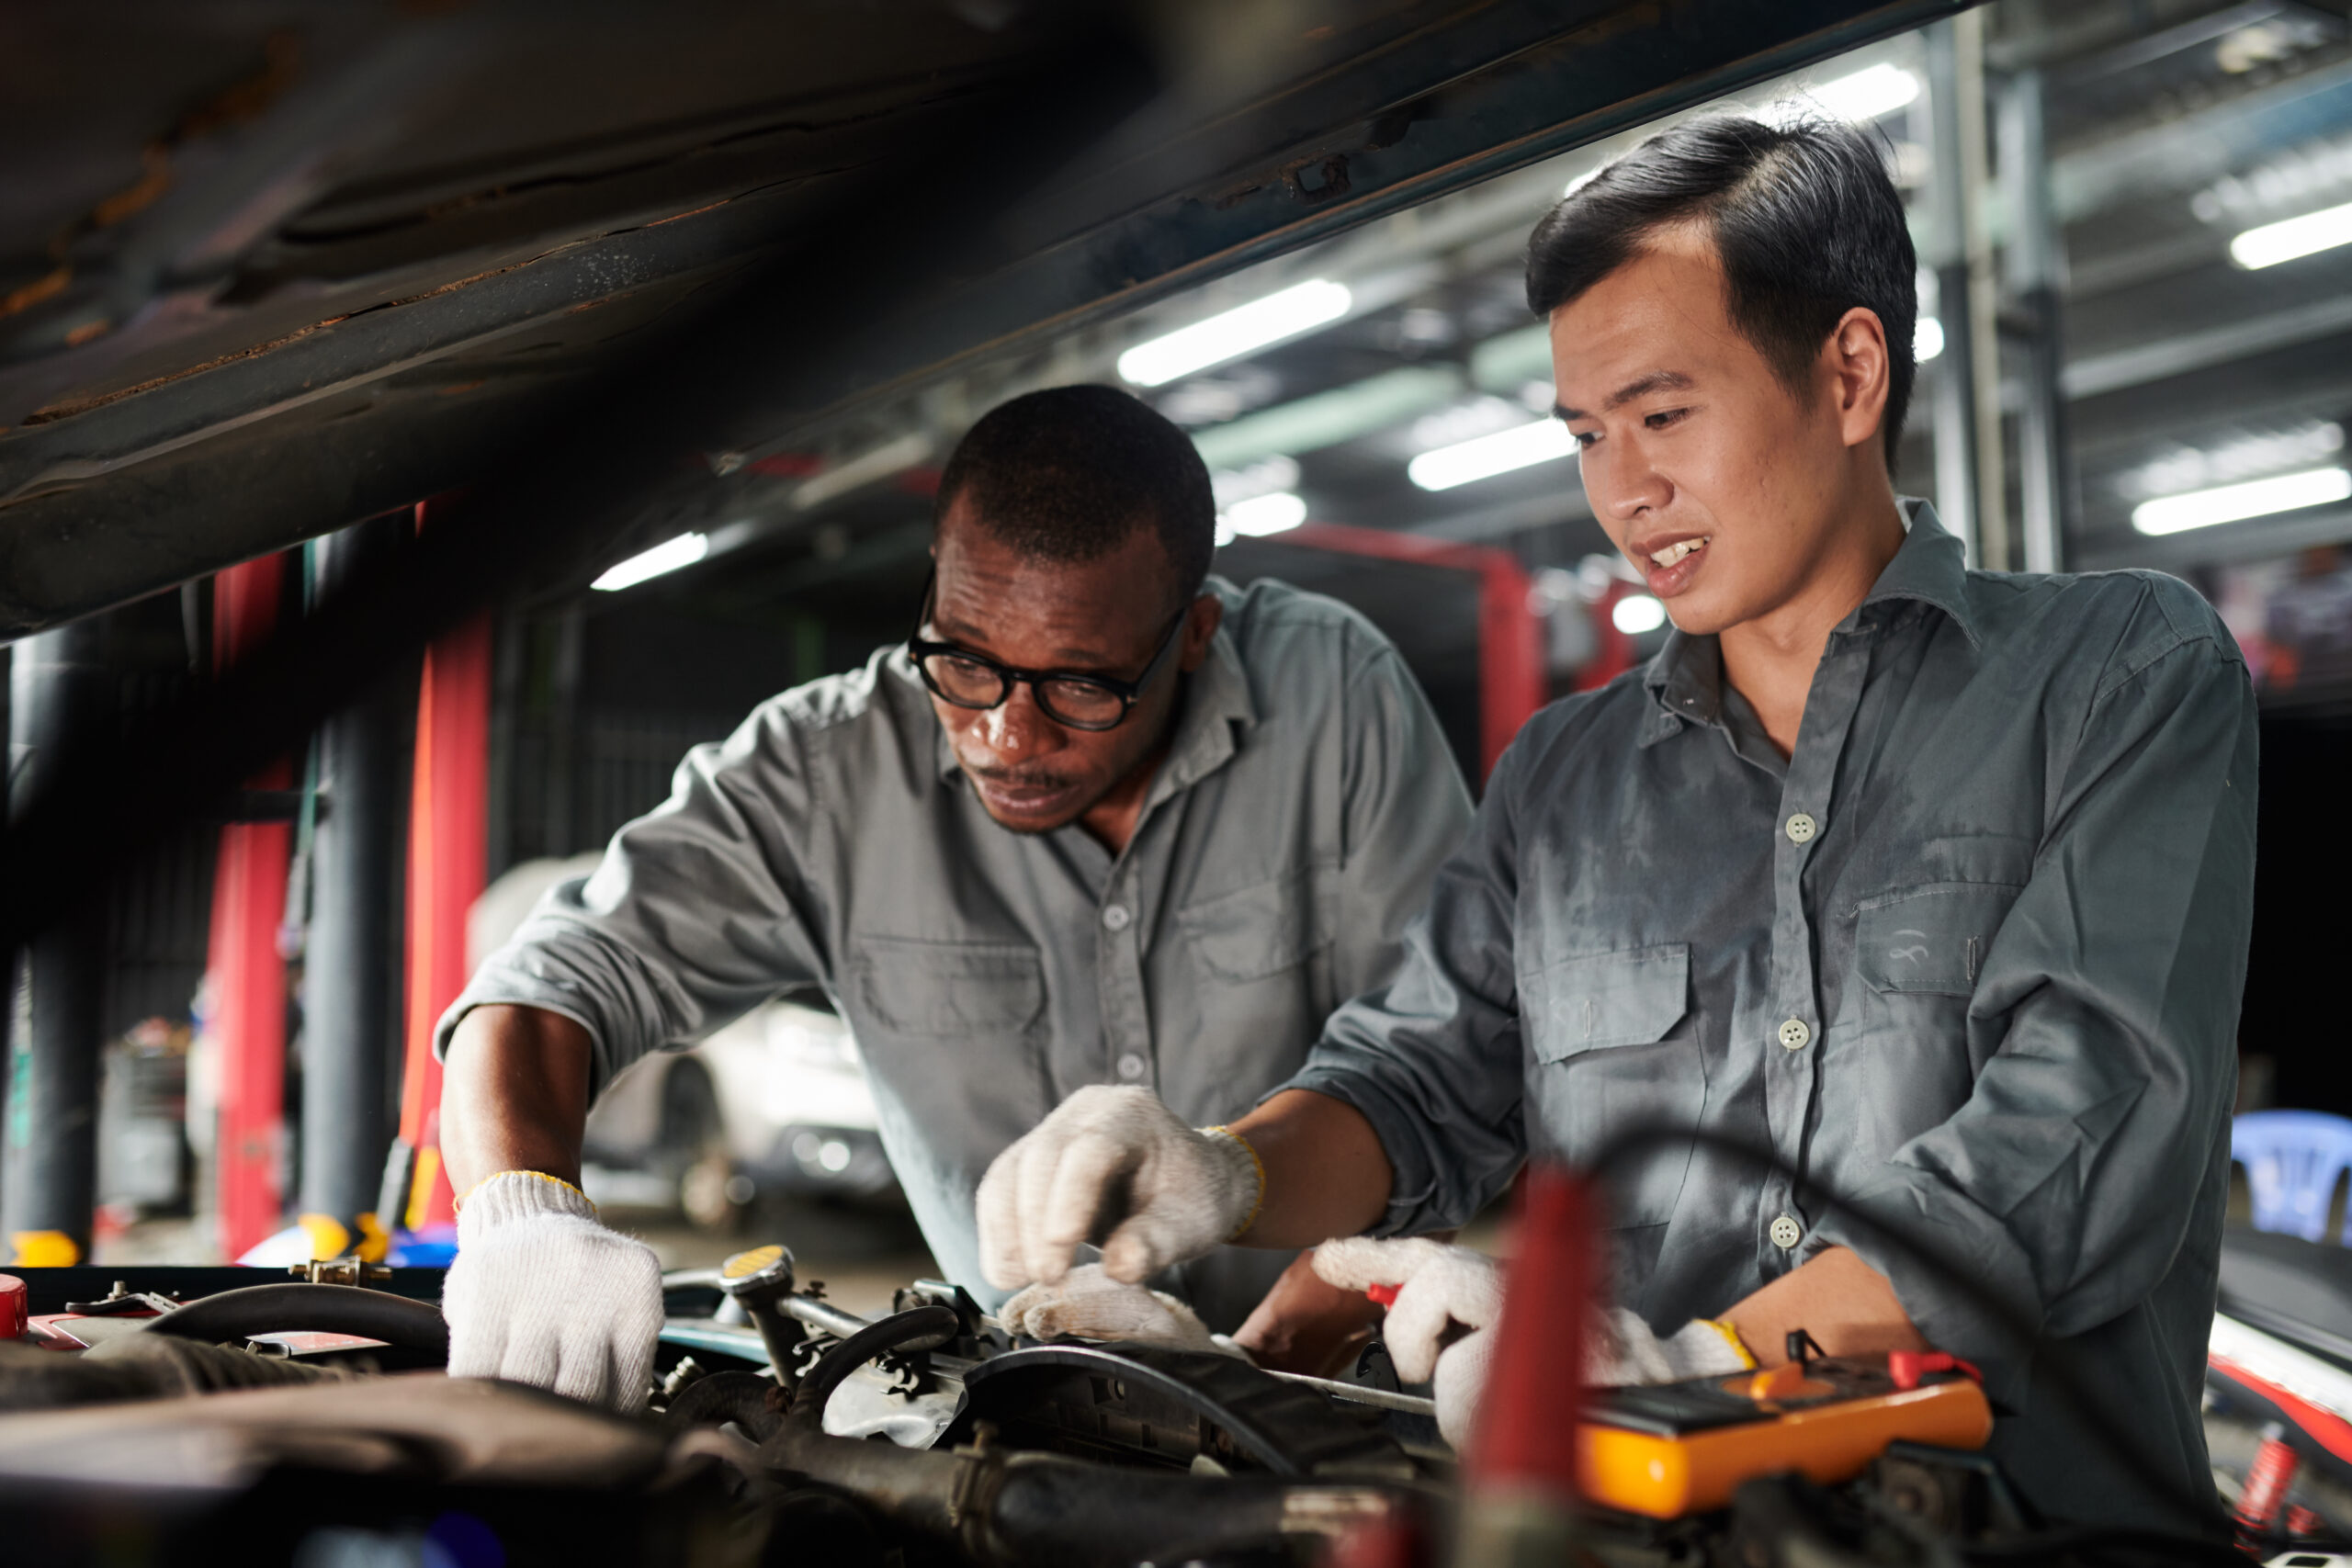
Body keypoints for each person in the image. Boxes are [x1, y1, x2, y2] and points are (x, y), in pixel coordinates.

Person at [978, 117, 2256, 1528]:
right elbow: (1415, 1088)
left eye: (1663, 415)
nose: (1622, 490)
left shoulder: (2120, 673)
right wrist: (1220, 1166)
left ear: (1848, 373)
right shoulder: (1564, 779)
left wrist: (1698, 1373)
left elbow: (2074, 1134)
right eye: (1587, 433)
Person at [435, 385, 1476, 1411]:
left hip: (1348, 1388)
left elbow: (1446, 1072)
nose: (1007, 738)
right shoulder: (823, 774)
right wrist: (524, 1212)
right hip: (1022, 1407)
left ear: (1193, 633)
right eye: (964, 661)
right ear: (935, 587)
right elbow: (556, 979)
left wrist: (1261, 1367)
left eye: (1080, 685)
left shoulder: (1333, 700)